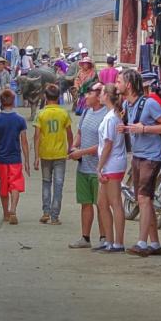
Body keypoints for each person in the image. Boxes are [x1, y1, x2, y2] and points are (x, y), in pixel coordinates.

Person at [116, 68, 161, 257]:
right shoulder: (128, 105)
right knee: (145, 199)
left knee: (143, 198)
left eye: (119, 81)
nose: (117, 84)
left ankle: (142, 242)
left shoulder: (149, 104)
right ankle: (155, 244)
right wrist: (126, 129)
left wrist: (145, 129)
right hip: (138, 155)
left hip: (151, 156)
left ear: (129, 85)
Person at [67, 85, 108, 250]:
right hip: (83, 166)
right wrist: (74, 147)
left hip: (99, 167)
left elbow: (104, 145)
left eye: (89, 94)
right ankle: (85, 237)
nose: (86, 97)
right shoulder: (85, 112)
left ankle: (104, 237)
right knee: (85, 203)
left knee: (101, 205)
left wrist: (81, 152)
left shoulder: (107, 116)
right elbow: (80, 134)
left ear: (99, 97)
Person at [0, 89, 30, 225]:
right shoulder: (20, 120)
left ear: (1, 102)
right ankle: (13, 209)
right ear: (13, 102)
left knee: (3, 186)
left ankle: (6, 212)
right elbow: (24, 141)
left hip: (1, 159)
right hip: (15, 158)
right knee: (15, 184)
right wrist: (27, 161)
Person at [33, 84, 72, 225]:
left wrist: (36, 156)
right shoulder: (63, 113)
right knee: (59, 184)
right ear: (59, 97)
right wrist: (70, 148)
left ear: (45, 97)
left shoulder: (41, 114)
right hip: (60, 154)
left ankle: (46, 212)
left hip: (45, 154)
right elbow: (69, 133)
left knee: (46, 182)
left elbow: (36, 136)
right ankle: (55, 216)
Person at [96, 83, 127, 253]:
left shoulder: (111, 118)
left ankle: (118, 242)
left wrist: (99, 167)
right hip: (111, 162)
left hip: (112, 163)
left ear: (107, 96)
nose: (99, 95)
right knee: (102, 203)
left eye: (101, 93)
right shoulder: (112, 116)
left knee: (114, 202)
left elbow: (108, 144)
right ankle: (109, 240)